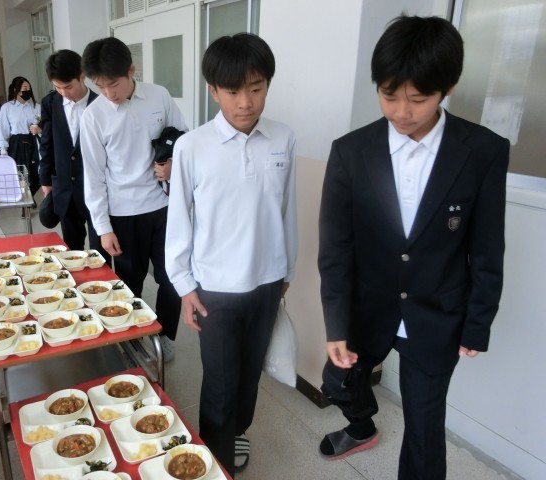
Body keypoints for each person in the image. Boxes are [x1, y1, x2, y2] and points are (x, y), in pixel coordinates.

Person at [317, 15, 509, 480]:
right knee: (337, 382)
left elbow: (487, 247)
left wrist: (477, 323)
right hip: (367, 308)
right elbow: (336, 247)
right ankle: (361, 425)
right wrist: (336, 323)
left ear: (448, 87)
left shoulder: (482, 150)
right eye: (388, 95)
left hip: (437, 313)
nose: (401, 111)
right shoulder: (350, 152)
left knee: (425, 426)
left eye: (418, 99)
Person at [165, 33, 297, 477]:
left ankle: (238, 429)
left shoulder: (282, 138)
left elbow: (286, 210)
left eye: (256, 88)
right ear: (213, 91)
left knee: (250, 372)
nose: (246, 102)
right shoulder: (192, 146)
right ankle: (215, 458)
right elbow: (179, 220)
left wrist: (287, 269)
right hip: (215, 287)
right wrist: (184, 286)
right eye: (234, 91)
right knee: (220, 380)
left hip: (267, 282)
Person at [80, 37, 187, 361]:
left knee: (173, 278)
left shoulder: (159, 96)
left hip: (164, 207)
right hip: (123, 213)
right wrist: (103, 228)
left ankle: (164, 334)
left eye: (113, 84)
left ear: (131, 70)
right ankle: (132, 337)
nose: (108, 93)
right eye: (99, 86)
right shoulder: (94, 116)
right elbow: (93, 176)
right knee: (129, 281)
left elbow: (184, 139)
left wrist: (173, 164)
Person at [38, 49, 109, 264]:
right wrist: (45, 180)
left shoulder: (101, 104)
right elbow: (47, 143)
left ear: (82, 76)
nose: (64, 92)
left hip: (96, 189)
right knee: (71, 248)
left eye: (68, 86)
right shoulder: (50, 103)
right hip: (65, 188)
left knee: (99, 250)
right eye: (57, 87)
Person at [0, 76, 42, 213]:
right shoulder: (7, 107)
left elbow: (44, 125)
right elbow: (3, 129)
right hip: (17, 143)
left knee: (37, 174)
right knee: (21, 175)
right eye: (24, 88)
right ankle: (25, 204)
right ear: (15, 90)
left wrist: (39, 129)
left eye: (29, 88)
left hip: (34, 142)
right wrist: (3, 149)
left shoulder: (36, 107)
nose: (27, 91)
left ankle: (29, 196)